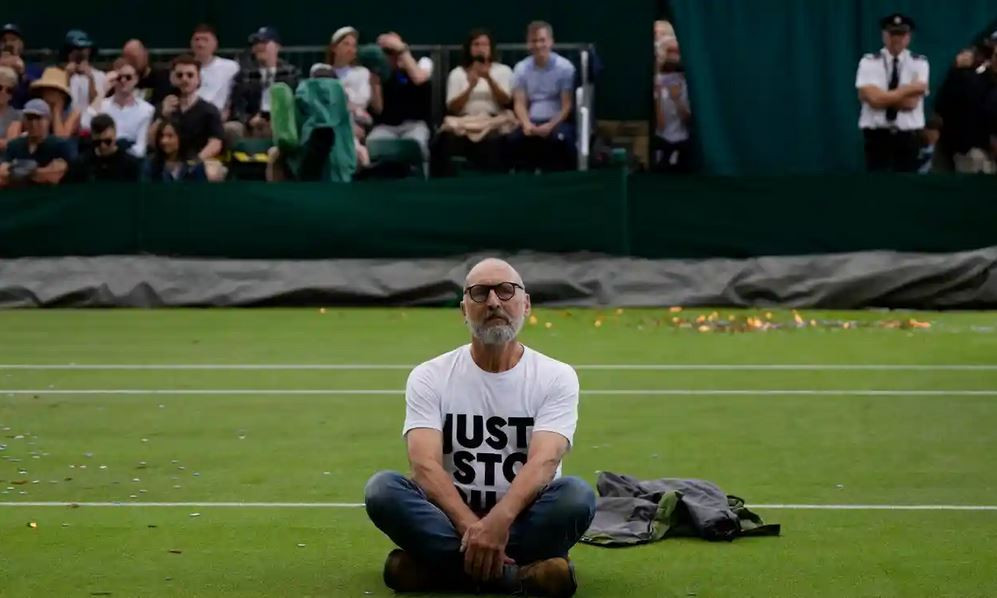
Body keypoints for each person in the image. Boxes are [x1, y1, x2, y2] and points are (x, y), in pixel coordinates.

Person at [364, 258, 595, 597]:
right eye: (479, 293)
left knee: (577, 496)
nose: (493, 302)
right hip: (449, 519)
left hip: (522, 519)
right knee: (382, 490)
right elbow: (424, 466)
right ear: (463, 309)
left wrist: (499, 522)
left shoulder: (556, 376)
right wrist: (474, 529)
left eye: (505, 291)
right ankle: (517, 577)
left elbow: (544, 463)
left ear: (526, 303)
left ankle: (438, 572)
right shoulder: (430, 376)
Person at [431, 28, 514, 176]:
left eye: (485, 45)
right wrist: (470, 86)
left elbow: (506, 101)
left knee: (498, 139)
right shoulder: (457, 73)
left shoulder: (503, 71)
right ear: (469, 48)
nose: (481, 48)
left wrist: (488, 78)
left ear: (491, 48)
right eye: (476, 44)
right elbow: (453, 108)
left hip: (493, 121)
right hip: (465, 122)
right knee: (446, 138)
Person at [855, 14, 930, 173]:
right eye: (892, 33)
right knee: (877, 187)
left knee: (907, 188)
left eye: (901, 34)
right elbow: (873, 99)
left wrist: (880, 97)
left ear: (908, 37)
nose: (897, 39)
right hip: (877, 137)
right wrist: (907, 89)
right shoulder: (868, 62)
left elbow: (910, 103)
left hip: (907, 137)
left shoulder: (919, 63)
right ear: (884, 35)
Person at [509, 21, 577, 172]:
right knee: (512, 140)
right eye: (534, 41)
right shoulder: (520, 68)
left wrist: (550, 126)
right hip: (531, 121)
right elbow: (519, 103)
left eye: (542, 40)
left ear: (551, 42)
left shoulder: (565, 68)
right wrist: (526, 124)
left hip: (557, 122)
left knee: (560, 140)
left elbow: (566, 106)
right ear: (528, 44)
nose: (538, 45)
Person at [368, 31, 434, 170]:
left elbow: (419, 79)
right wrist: (375, 83)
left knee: (416, 143)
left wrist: (401, 51)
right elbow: (378, 109)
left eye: (393, 50)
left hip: (414, 124)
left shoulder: (420, 65)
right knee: (373, 142)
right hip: (386, 126)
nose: (391, 55)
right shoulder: (378, 72)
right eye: (387, 52)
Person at [228, 26, 299, 142]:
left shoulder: (291, 73)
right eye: (256, 43)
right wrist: (249, 120)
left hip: (280, 124)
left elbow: (295, 105)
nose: (259, 46)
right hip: (251, 123)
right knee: (231, 128)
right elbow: (237, 106)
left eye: (264, 42)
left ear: (277, 47)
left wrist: (277, 120)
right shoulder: (244, 74)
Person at [150, 55, 224, 162]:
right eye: (179, 75)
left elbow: (215, 143)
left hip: (197, 160)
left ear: (198, 79)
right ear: (172, 78)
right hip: (167, 161)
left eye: (190, 75)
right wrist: (163, 115)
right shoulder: (163, 106)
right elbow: (151, 142)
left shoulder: (209, 110)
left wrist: (196, 161)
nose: (184, 79)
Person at [83, 58, 154, 157]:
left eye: (128, 77)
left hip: (129, 159)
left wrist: (117, 152)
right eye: (119, 77)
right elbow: (85, 124)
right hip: (102, 154)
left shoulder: (147, 110)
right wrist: (103, 91)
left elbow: (140, 149)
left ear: (136, 79)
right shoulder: (103, 105)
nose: (123, 81)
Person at [0, 99, 73, 188]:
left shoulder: (59, 144)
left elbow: (54, 175)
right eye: (30, 118)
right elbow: (2, 175)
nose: (33, 123)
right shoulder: (14, 145)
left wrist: (18, 172)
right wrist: (37, 173)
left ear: (48, 119)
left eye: (38, 118)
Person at [652, 36, 692, 173]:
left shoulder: (687, 85)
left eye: (676, 53)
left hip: (683, 141)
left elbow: (687, 120)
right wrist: (658, 97)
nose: (672, 57)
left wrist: (676, 99)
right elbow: (660, 124)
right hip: (663, 140)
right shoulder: (658, 84)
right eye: (670, 52)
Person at [72, 113, 141, 182]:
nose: (103, 146)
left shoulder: (130, 163)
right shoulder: (83, 162)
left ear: (115, 135)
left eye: (107, 141)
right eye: (98, 142)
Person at [191, 24, 240, 116]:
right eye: (196, 39)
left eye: (205, 40)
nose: (200, 44)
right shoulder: (185, 67)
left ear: (215, 43)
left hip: (219, 114)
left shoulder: (231, 67)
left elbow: (236, 94)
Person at [143, 119, 207, 182]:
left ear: (181, 137)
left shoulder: (194, 164)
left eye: (170, 136)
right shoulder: (151, 163)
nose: (164, 141)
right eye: (161, 136)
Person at [60, 29, 106, 114]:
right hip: (67, 122)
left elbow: (96, 104)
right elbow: (59, 103)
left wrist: (90, 78)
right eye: (76, 49)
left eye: (84, 48)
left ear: (89, 51)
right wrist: (67, 77)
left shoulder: (99, 76)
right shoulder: (59, 75)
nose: (80, 52)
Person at [29, 67, 81, 139]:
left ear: (62, 94)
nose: (47, 93)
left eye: (52, 89)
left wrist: (56, 110)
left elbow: (61, 139)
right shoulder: (36, 109)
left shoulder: (74, 113)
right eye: (45, 89)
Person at [1, 23, 43, 109]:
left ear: (21, 45)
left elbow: (39, 96)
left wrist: (22, 74)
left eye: (13, 40)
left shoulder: (33, 70)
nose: (8, 43)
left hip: (23, 117)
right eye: (3, 40)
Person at [123, 39, 174, 106]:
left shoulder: (162, 79)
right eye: (128, 58)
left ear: (145, 54)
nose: (132, 63)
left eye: (134, 58)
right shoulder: (122, 82)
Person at [0, 66, 22, 153]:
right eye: (0, 88)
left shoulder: (17, 115)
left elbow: (11, 143)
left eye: (9, 90)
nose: (3, 92)